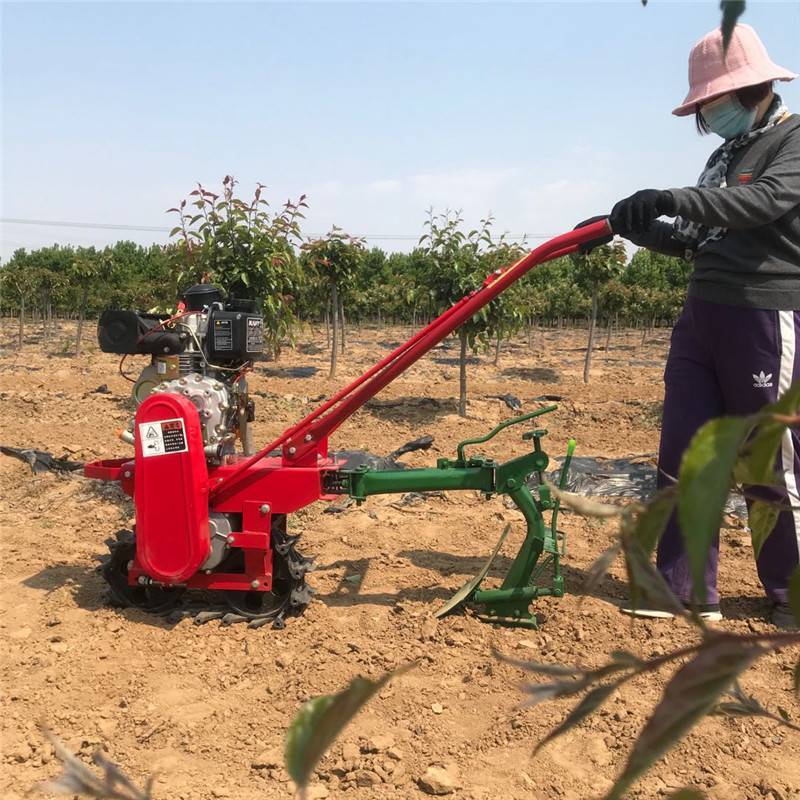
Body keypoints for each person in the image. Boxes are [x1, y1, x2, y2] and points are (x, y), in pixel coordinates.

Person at [578, 23, 800, 629]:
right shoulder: (723, 156)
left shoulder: (793, 140)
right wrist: (626, 224)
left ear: (754, 86)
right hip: (702, 315)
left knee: (767, 459)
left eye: (713, 101)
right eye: (704, 105)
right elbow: (692, 239)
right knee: (684, 453)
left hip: (763, 311)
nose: (710, 112)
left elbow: (765, 203)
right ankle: (684, 590)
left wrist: (672, 196)